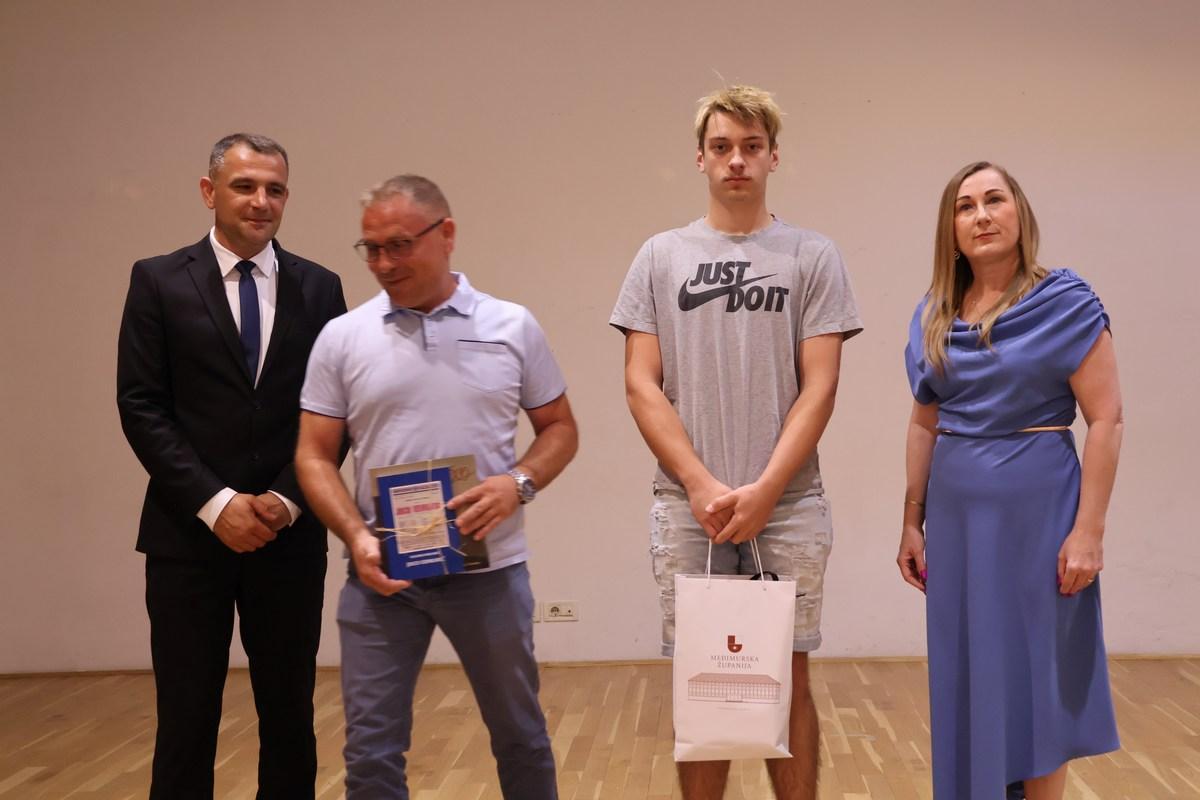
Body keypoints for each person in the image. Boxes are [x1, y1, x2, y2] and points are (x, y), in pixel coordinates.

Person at [610, 85, 862, 799]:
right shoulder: (659, 256)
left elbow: (820, 387)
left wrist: (767, 490)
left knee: (790, 676)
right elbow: (640, 384)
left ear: (774, 155)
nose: (737, 161)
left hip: (789, 505)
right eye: (722, 147)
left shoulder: (813, 255)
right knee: (701, 680)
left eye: (752, 147)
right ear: (700, 158)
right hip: (687, 508)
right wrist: (700, 484)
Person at [294, 174, 578, 800]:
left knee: (521, 738)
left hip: (490, 575)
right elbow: (312, 455)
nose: (383, 263)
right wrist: (355, 536)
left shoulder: (511, 325)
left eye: (398, 245)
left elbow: (559, 429)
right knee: (370, 753)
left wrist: (517, 484)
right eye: (371, 249)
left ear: (446, 234)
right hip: (381, 580)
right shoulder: (343, 338)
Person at [117, 133, 347, 799]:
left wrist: (286, 500)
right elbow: (141, 405)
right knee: (186, 719)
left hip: (287, 536)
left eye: (275, 189)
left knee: (289, 716)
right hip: (188, 538)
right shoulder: (158, 280)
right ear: (208, 191)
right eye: (244, 186)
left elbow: (338, 411)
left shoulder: (320, 287)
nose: (260, 201)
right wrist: (217, 504)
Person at [897, 161, 1122, 799]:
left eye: (994, 200)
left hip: (1039, 517)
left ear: (1019, 212)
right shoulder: (934, 314)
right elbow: (923, 423)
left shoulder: (1066, 302)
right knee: (968, 671)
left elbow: (1106, 419)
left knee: (1037, 679)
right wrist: (912, 519)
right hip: (958, 524)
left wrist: (1089, 531)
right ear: (951, 229)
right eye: (965, 206)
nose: (982, 215)